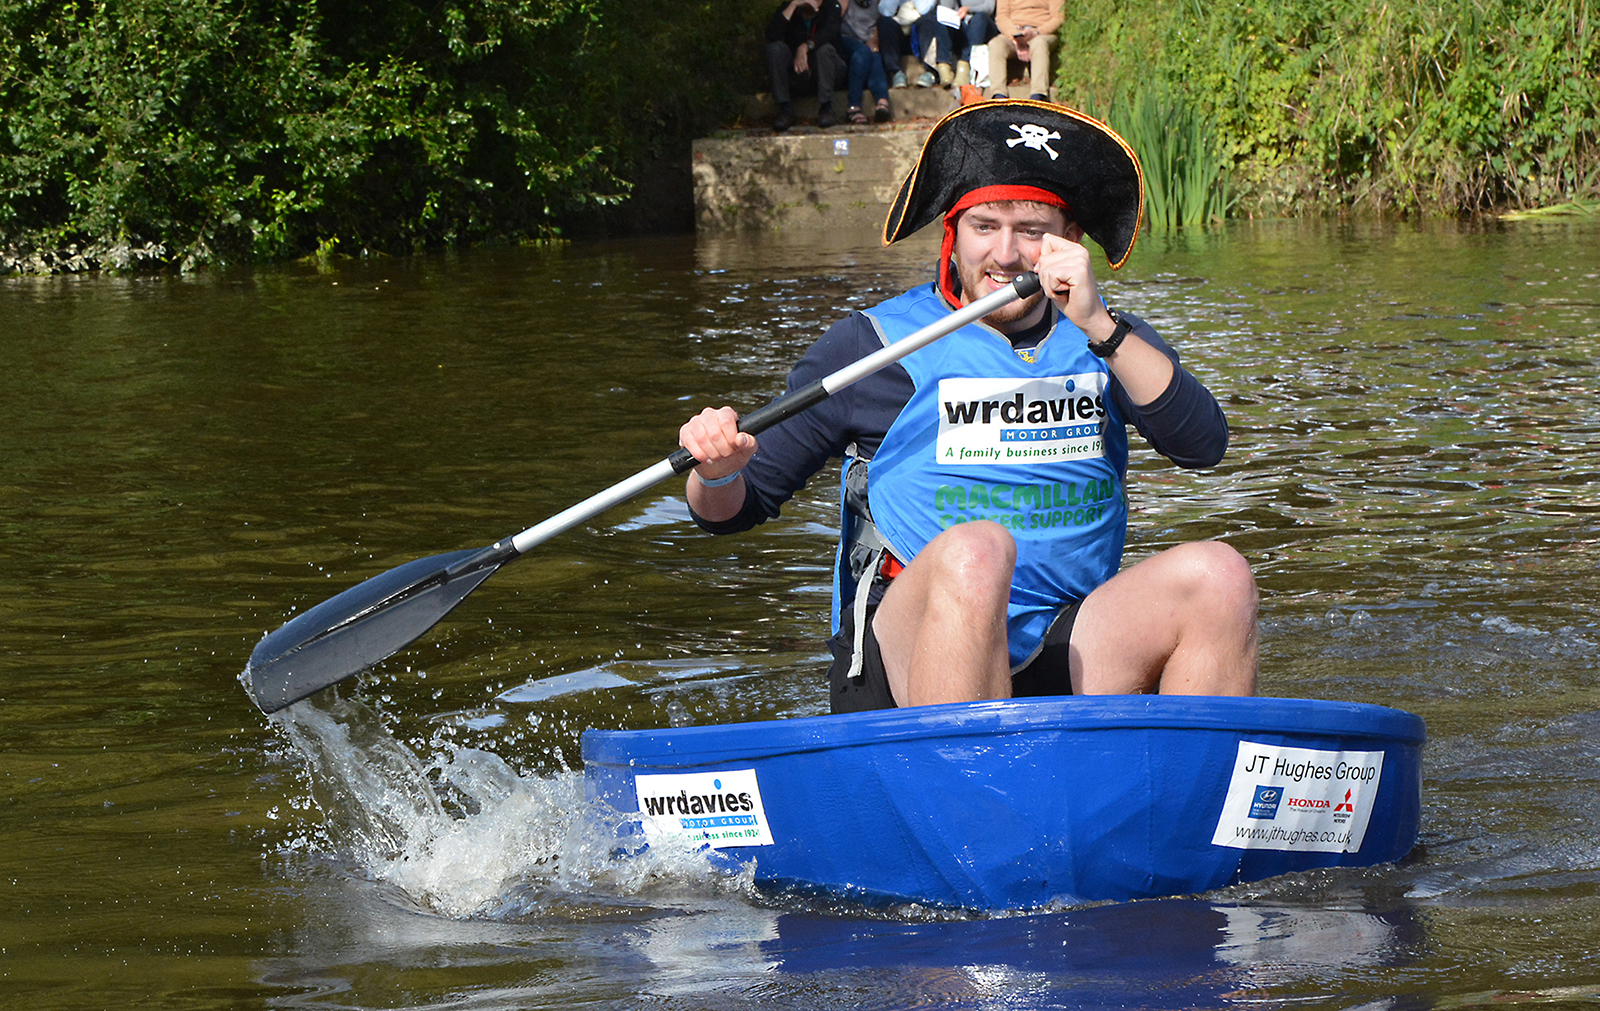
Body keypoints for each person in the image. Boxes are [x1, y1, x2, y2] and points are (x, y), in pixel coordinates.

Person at [679, 101, 1258, 712]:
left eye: (1031, 231)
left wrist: (1097, 325)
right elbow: (730, 510)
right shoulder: (874, 347)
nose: (1005, 255)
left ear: (1069, 243)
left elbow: (1203, 447)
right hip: (906, 653)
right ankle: (958, 786)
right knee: (977, 550)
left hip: (1068, 637)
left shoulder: (1108, 339)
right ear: (953, 238)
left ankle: (1195, 794)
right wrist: (714, 473)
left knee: (1220, 577)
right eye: (984, 227)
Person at [766, 0, 847, 131]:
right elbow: (772, 34)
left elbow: (830, 31)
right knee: (774, 49)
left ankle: (826, 108)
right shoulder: (790, 8)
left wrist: (806, 46)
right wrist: (792, 6)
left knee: (825, 50)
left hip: (828, 70)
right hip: (800, 72)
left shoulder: (832, 6)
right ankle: (785, 109)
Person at [985, 0, 1062, 100]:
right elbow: (1002, 17)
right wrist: (1016, 36)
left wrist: (1037, 32)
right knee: (996, 44)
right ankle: (998, 94)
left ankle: (1039, 94)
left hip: (1041, 32)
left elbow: (1058, 17)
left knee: (1039, 44)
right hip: (1014, 32)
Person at [839, 0, 893, 123]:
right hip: (844, 39)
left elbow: (882, 20)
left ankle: (882, 102)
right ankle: (853, 106)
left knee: (874, 55)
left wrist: (875, 36)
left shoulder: (878, 3)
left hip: (867, 40)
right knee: (863, 52)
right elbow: (832, 17)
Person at [930, 0, 997, 89]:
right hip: (961, 23)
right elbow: (946, 7)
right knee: (941, 20)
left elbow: (989, 8)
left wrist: (968, 9)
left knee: (979, 19)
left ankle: (965, 66)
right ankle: (944, 66)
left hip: (984, 24)